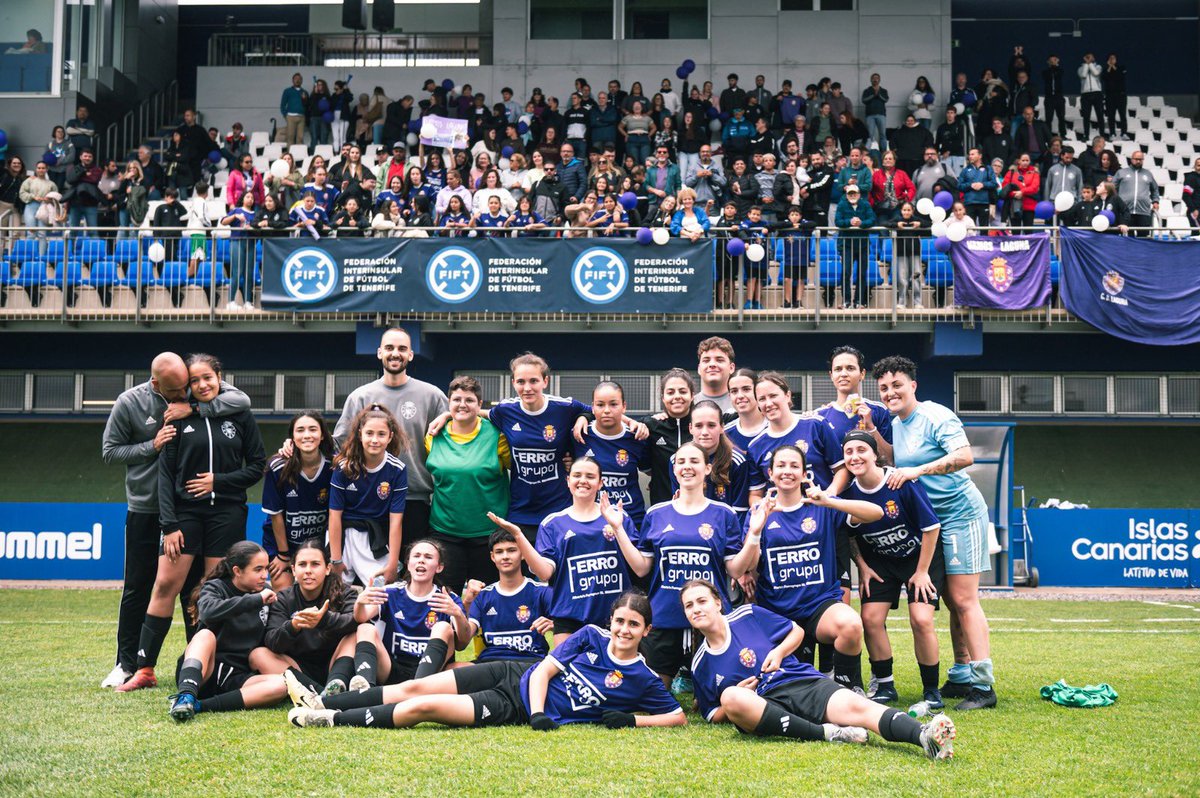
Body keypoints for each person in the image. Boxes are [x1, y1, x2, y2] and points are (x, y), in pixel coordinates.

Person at [285, 591, 685, 731]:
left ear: (646, 631)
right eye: (620, 621)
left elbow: (677, 717)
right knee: (414, 686)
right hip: (516, 674)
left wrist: (634, 720)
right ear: (611, 621)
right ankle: (323, 701)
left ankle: (330, 719)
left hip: (511, 706)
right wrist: (541, 713)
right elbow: (545, 669)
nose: (624, 630)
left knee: (422, 707)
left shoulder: (644, 677)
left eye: (634, 625)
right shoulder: (591, 636)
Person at [99, 353, 249, 689]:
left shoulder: (196, 396)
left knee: (194, 590)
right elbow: (110, 451)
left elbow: (242, 399)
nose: (185, 393)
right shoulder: (129, 403)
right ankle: (126, 663)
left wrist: (193, 408)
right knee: (139, 586)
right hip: (146, 508)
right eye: (177, 391)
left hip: (187, 510)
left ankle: (197, 661)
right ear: (156, 384)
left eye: (187, 387)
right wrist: (151, 446)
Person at [682, 579, 956, 759]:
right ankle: (830, 733)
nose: (696, 609)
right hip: (762, 706)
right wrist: (738, 696)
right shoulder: (700, 663)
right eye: (689, 606)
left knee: (859, 707)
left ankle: (923, 735)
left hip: (799, 682)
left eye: (702, 601)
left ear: (718, 603)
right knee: (731, 696)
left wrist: (778, 653)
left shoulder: (747, 615)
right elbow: (712, 713)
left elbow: (796, 632)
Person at [872, 355, 996, 710]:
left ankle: (984, 687)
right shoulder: (897, 422)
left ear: (913, 385)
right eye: (884, 388)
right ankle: (961, 675)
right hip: (929, 522)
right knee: (952, 601)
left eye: (897, 385)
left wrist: (917, 472)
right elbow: (898, 458)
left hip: (959, 515)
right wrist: (873, 431)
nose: (891, 392)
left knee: (963, 599)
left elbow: (965, 456)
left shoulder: (935, 415)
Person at [736, 444, 883, 693]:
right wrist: (755, 530)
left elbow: (876, 513)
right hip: (777, 611)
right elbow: (748, 566)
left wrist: (831, 501)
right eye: (781, 465)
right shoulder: (760, 512)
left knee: (850, 624)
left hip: (819, 606)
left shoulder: (821, 506)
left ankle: (849, 688)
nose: (787, 471)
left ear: (805, 474)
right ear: (770, 473)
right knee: (791, 687)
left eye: (795, 466)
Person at [608, 443, 756, 685]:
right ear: (674, 469)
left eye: (695, 461)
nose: (687, 466)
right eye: (681, 462)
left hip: (709, 620)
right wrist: (618, 529)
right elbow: (642, 568)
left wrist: (755, 534)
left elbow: (735, 570)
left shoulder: (724, 513)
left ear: (707, 468)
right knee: (653, 694)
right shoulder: (656, 513)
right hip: (664, 617)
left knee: (715, 697)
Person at [838, 431, 945, 707]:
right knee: (871, 619)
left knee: (921, 619)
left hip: (919, 558)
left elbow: (932, 528)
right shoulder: (849, 494)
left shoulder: (900, 483)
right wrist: (862, 566)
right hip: (880, 562)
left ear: (875, 454)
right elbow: (848, 534)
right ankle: (885, 686)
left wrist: (921, 572)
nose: (855, 456)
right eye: (848, 452)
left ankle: (931, 691)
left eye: (861, 450)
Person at [492, 452, 637, 646]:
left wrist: (617, 528)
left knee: (614, 675)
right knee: (567, 674)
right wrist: (519, 536)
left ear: (600, 483)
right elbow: (544, 573)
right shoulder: (553, 523)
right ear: (568, 481)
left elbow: (639, 566)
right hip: (570, 618)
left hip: (615, 615)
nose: (583, 481)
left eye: (590, 476)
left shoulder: (619, 517)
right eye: (577, 475)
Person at [329, 329, 448, 546]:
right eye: (389, 348)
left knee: (412, 571)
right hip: (368, 499)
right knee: (370, 574)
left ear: (411, 354)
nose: (395, 353)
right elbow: (339, 446)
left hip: (415, 499)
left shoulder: (432, 395)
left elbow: (455, 437)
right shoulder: (360, 397)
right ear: (379, 352)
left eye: (402, 349)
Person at [165, 541, 289, 721]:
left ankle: (199, 706)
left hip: (238, 676)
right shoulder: (216, 587)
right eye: (258, 569)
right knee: (204, 635)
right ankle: (186, 694)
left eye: (266, 569)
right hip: (206, 672)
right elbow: (208, 612)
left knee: (280, 685)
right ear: (237, 571)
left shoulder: (266, 593)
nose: (264, 575)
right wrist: (256, 600)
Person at [344, 538, 470, 691]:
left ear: (439, 567)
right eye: (416, 556)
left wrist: (457, 613)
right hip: (393, 669)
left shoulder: (448, 598)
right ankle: (365, 689)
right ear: (408, 563)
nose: (421, 561)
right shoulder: (391, 592)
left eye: (428, 557)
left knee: (444, 628)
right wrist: (360, 603)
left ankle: (418, 689)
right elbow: (361, 617)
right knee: (365, 629)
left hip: (431, 676)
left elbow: (462, 644)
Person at [424, 376, 511, 590]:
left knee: (486, 599)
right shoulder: (433, 435)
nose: (462, 404)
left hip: (488, 533)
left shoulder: (497, 435)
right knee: (446, 598)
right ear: (448, 402)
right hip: (445, 531)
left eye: (469, 400)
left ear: (480, 404)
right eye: (457, 399)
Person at [262, 537, 359, 695]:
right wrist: (292, 626)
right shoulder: (283, 598)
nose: (308, 570)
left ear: (327, 568)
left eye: (315, 564)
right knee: (258, 654)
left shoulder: (345, 592)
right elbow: (271, 641)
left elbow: (357, 620)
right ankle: (321, 693)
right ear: (293, 570)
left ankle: (335, 683)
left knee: (357, 633)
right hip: (299, 668)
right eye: (302, 564)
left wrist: (325, 620)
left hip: (336, 665)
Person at [328, 405, 407, 587]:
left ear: (390, 437)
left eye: (381, 434)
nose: (374, 440)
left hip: (373, 538)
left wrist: (393, 563)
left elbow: (396, 521)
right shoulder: (343, 467)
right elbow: (334, 516)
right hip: (342, 537)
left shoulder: (397, 469)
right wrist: (336, 560)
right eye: (369, 433)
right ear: (360, 434)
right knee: (333, 590)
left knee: (382, 591)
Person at [261, 412, 334, 591]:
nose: (307, 435)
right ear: (292, 437)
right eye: (300, 430)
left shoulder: (334, 466)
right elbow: (276, 516)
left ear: (322, 434)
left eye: (313, 429)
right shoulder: (278, 467)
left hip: (319, 546)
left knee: (323, 594)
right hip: (282, 545)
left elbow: (336, 515)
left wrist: (332, 554)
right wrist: (284, 555)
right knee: (284, 593)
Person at [747, 371, 844, 500]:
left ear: (787, 395)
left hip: (823, 512)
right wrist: (762, 511)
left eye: (773, 396)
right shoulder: (756, 446)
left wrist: (830, 493)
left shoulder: (816, 425)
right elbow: (755, 494)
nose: (768, 403)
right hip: (782, 517)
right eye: (762, 399)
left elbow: (841, 469)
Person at [574, 382, 651, 528]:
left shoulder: (637, 437)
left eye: (613, 404)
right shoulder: (579, 435)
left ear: (624, 406)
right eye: (600, 405)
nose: (607, 410)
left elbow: (652, 472)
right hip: (590, 522)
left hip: (631, 520)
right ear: (592, 407)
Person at [672, 401, 751, 522]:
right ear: (690, 428)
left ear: (721, 427)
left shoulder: (737, 461)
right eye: (698, 426)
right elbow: (679, 506)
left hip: (725, 532)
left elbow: (740, 512)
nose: (704, 432)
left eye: (711, 425)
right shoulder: (677, 461)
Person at [816, 345, 893, 461]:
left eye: (850, 368)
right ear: (831, 375)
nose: (843, 374)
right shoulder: (819, 416)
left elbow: (890, 459)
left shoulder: (878, 410)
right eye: (838, 369)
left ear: (862, 374)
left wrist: (871, 428)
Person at [835, 184, 876, 308]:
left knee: (862, 273)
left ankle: (859, 301)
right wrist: (850, 222)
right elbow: (838, 221)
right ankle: (846, 301)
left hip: (863, 244)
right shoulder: (842, 205)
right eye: (850, 194)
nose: (852, 196)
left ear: (859, 194)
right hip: (847, 244)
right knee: (846, 273)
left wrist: (861, 223)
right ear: (846, 195)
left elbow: (872, 219)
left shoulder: (865, 204)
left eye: (854, 193)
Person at [1113, 151, 1160, 234]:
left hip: (1144, 211)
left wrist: (1155, 201)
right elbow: (1112, 188)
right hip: (1125, 211)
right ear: (1131, 159)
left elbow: (1155, 189)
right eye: (1136, 159)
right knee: (1127, 238)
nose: (1138, 161)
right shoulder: (1121, 172)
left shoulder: (1148, 174)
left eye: (1141, 159)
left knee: (1144, 237)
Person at [889, 202, 926, 307]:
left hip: (915, 253)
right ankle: (901, 302)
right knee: (902, 278)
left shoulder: (916, 220)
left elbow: (929, 224)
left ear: (912, 211)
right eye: (904, 210)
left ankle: (917, 302)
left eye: (909, 210)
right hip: (901, 253)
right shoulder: (897, 219)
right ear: (901, 211)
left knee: (916, 277)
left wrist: (920, 224)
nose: (906, 212)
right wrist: (897, 225)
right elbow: (886, 223)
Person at [724, 368, 766, 455]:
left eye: (746, 389)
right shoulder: (725, 434)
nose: (740, 396)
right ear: (729, 396)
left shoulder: (775, 426)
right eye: (734, 391)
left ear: (758, 391)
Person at [869, 151, 914, 225]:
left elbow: (911, 188)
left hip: (897, 207)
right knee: (883, 229)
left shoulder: (902, 174)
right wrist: (873, 202)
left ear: (894, 161)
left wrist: (907, 199)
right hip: (881, 209)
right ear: (882, 161)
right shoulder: (876, 174)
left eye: (890, 158)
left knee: (896, 227)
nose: (888, 160)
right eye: (885, 158)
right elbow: (870, 190)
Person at [957, 147, 998, 227]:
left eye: (973, 154)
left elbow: (994, 184)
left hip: (984, 203)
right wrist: (970, 185)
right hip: (969, 203)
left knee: (984, 229)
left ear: (980, 156)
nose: (970, 156)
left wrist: (983, 185)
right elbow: (959, 186)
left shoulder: (988, 168)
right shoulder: (965, 170)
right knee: (970, 229)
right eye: (969, 155)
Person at [694, 336, 735, 412]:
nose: (712, 364)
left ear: (731, 368)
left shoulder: (743, 404)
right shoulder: (688, 406)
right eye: (706, 360)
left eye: (719, 360)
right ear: (699, 369)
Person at [1002, 153, 1040, 228]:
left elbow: (1034, 187)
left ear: (1030, 161)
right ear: (1019, 161)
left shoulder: (1035, 173)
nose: (1025, 162)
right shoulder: (1011, 172)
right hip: (1014, 205)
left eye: (1027, 160)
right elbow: (1005, 187)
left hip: (1029, 206)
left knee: (1028, 232)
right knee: (1015, 231)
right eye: (1023, 160)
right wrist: (1014, 194)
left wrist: (1022, 192)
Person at [1078, 54, 1105, 141]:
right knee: (1086, 116)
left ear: (1094, 57)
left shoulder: (1098, 66)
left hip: (1097, 93)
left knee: (1100, 115)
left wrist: (1090, 64)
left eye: (1091, 57)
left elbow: (1096, 73)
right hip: (1085, 94)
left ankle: (1102, 135)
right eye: (1087, 57)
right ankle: (1086, 135)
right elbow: (1083, 75)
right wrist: (1086, 64)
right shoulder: (1081, 68)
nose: (1089, 58)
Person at [1102, 53, 1128, 141]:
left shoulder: (1121, 67)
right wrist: (1109, 67)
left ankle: (1124, 133)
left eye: (1113, 58)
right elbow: (1104, 77)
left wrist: (1113, 67)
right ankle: (1112, 133)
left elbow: (1120, 76)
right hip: (1110, 96)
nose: (1112, 60)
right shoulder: (1106, 69)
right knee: (1111, 116)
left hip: (1121, 95)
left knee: (1122, 115)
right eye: (1110, 58)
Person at [861, 74, 889, 150]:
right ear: (871, 80)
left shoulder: (883, 90)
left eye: (877, 78)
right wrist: (873, 95)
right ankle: (868, 152)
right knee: (870, 135)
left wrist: (878, 95)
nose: (875, 79)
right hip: (870, 116)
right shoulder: (867, 91)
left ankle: (883, 152)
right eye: (873, 78)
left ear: (879, 80)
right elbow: (864, 100)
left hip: (881, 115)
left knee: (883, 134)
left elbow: (886, 99)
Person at [1184, 158, 1200, 231]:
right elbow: (1186, 196)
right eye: (1198, 165)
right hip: (1195, 212)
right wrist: (1193, 210)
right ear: (1195, 166)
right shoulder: (1191, 178)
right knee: (1197, 236)